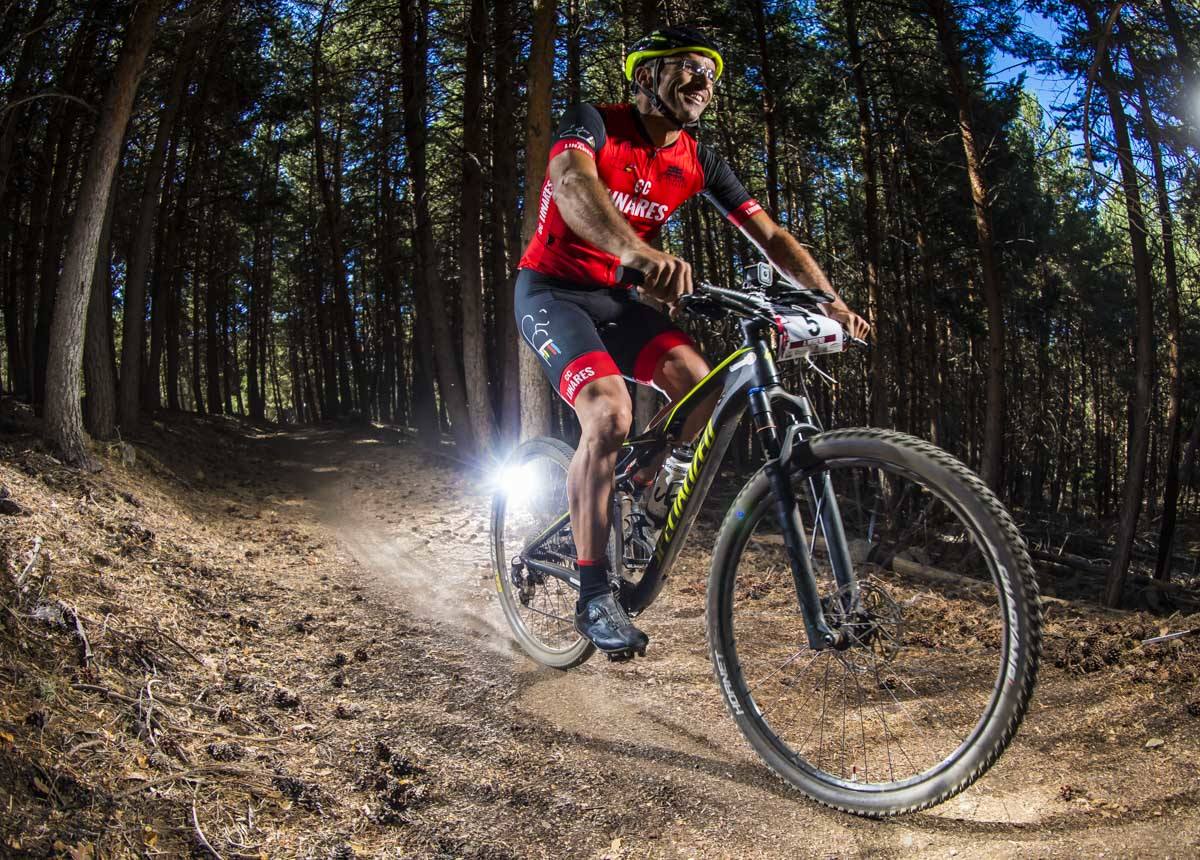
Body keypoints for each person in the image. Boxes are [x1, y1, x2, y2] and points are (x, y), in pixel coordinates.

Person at [514, 25, 870, 657]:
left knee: (705, 393)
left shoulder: (698, 159)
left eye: (710, 72)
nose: (702, 81)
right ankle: (594, 593)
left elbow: (774, 237)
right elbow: (572, 186)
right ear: (646, 75)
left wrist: (828, 297)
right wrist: (636, 251)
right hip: (552, 294)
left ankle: (644, 496)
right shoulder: (595, 121)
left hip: (619, 300)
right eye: (686, 67)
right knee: (610, 411)